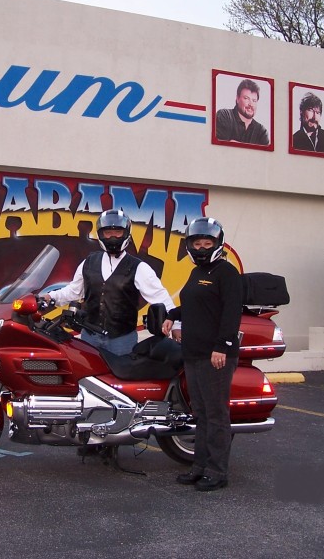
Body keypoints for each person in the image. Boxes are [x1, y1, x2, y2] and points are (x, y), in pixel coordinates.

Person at [161, 217, 242, 492]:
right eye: (197, 243)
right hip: (193, 353)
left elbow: (231, 313)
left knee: (216, 414)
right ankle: (199, 467)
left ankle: (217, 472)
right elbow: (193, 305)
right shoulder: (197, 272)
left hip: (215, 355)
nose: (202, 248)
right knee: (201, 413)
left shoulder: (226, 273)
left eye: (208, 243)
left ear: (218, 244)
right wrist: (172, 315)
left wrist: (222, 346)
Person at [44, 209, 179, 356]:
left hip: (122, 340)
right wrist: (51, 297)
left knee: (121, 372)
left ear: (126, 233)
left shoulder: (139, 267)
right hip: (89, 337)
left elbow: (161, 297)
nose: (113, 237)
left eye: (118, 232)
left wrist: (176, 325)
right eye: (108, 232)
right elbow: (73, 291)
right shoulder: (88, 262)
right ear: (101, 234)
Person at [215, 78, 270, 145]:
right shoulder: (224, 116)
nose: (251, 104)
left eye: (254, 101)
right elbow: (220, 148)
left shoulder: (261, 131)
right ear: (237, 99)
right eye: (246, 98)